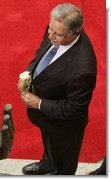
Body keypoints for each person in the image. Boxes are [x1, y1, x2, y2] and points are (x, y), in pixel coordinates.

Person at [18, 3, 97, 175]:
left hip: (65, 126)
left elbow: (74, 109)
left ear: (75, 33)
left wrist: (39, 103)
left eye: (57, 34)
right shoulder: (56, 28)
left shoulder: (83, 69)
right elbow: (41, 53)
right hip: (48, 116)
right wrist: (29, 73)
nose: (50, 35)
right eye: (50, 28)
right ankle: (47, 164)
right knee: (50, 145)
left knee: (62, 165)